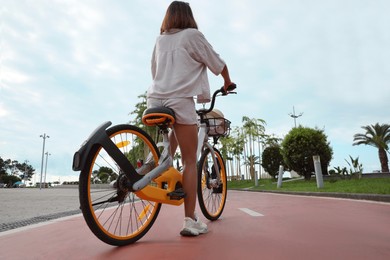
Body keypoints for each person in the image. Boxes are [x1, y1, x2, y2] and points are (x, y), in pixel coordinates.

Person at [146, 1, 234, 236]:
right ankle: (190, 220)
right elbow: (217, 62)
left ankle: (149, 164)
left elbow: (154, 71)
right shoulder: (193, 35)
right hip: (180, 100)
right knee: (188, 161)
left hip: (155, 100)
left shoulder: (159, 40)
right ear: (188, 16)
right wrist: (227, 81)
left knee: (167, 149)